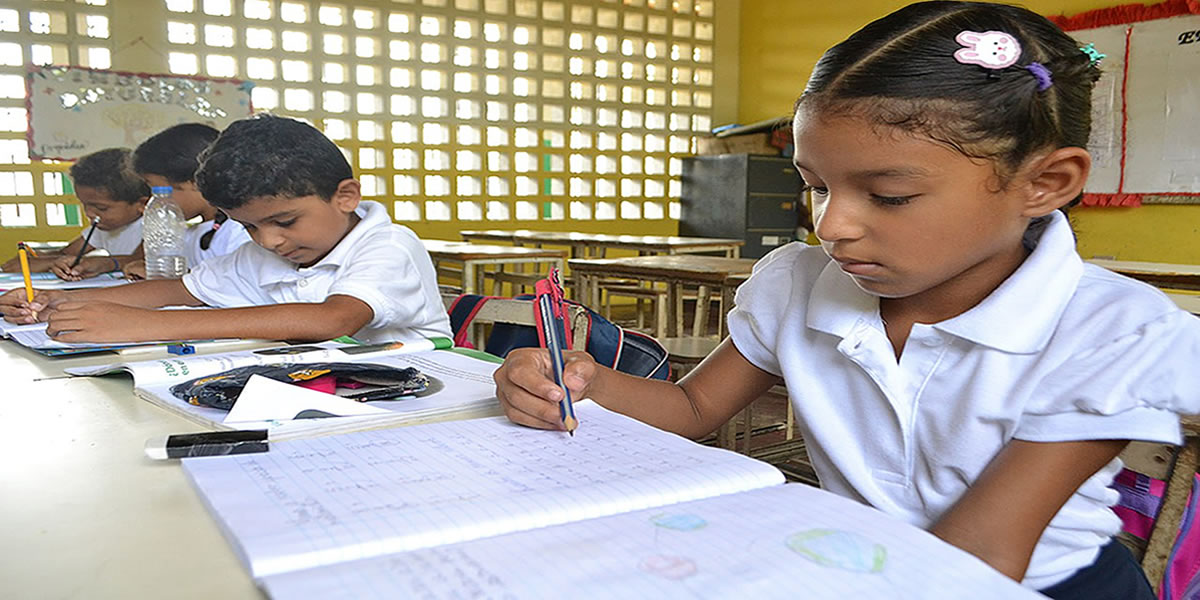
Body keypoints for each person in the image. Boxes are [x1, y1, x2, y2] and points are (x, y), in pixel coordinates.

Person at [492, 3, 1200, 599]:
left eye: (888, 195)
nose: (830, 226)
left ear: (1044, 183)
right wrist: (582, 382)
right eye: (817, 185)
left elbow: (981, 554)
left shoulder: (1109, 330)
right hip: (867, 564)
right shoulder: (796, 283)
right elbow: (691, 410)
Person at [0, 114, 451, 345]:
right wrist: (59, 300)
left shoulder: (386, 243)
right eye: (248, 226)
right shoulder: (267, 252)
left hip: (430, 392)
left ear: (346, 196)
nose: (268, 240)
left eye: (284, 221)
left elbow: (333, 318)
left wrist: (143, 326)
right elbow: (182, 291)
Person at [123, 122, 251, 279]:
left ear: (194, 183)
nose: (153, 200)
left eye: (156, 190)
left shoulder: (239, 232)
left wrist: (170, 279)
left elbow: (236, 287)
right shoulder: (190, 234)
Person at [1, 148, 148, 279]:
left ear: (142, 204)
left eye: (101, 208)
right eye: (84, 204)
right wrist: (49, 261)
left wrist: (105, 263)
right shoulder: (103, 226)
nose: (89, 213)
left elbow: (139, 260)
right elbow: (67, 254)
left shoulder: (152, 225)